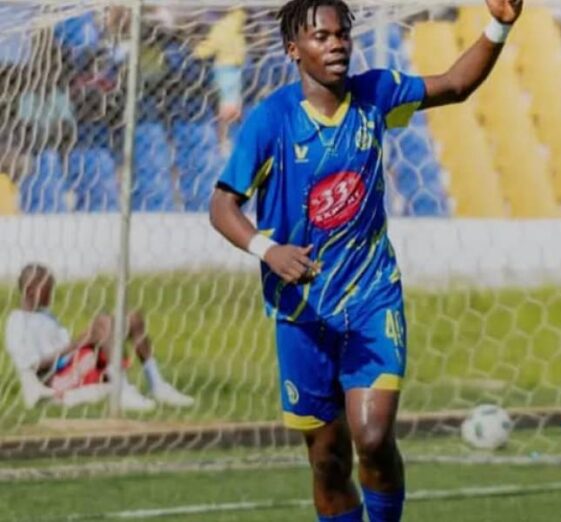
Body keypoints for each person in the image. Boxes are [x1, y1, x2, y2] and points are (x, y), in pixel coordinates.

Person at [209, 1, 523, 520]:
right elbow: (222, 206)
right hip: (302, 313)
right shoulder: (271, 120)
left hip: (371, 300)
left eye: (342, 34)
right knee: (328, 462)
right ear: (293, 49)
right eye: (320, 36)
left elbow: (454, 85)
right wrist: (269, 250)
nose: (336, 44)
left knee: (373, 437)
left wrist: (500, 24)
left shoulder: (375, 94)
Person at [4, 264, 195, 411]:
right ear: (31, 290)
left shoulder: (46, 316)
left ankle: (157, 384)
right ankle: (122, 390)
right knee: (103, 323)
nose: (52, 294)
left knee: (132, 317)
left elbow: (69, 348)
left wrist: (84, 340)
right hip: (56, 378)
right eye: (48, 288)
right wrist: (77, 344)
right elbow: (34, 366)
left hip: (74, 362)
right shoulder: (17, 322)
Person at [194, 8, 248, 143]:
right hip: (233, 68)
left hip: (225, 68)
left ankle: (224, 140)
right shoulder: (236, 20)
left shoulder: (219, 28)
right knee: (233, 106)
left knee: (228, 107)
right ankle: (227, 140)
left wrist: (195, 51)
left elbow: (207, 49)